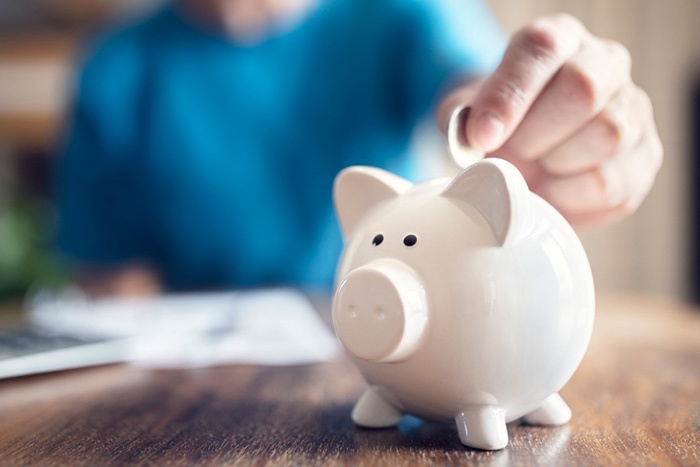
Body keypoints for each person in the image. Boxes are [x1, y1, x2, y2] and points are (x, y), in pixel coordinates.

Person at [54, 0, 662, 296]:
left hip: (391, 338)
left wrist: (521, 114)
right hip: (195, 398)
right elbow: (115, 286)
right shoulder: (114, 68)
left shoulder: (403, 13)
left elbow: (469, 88)